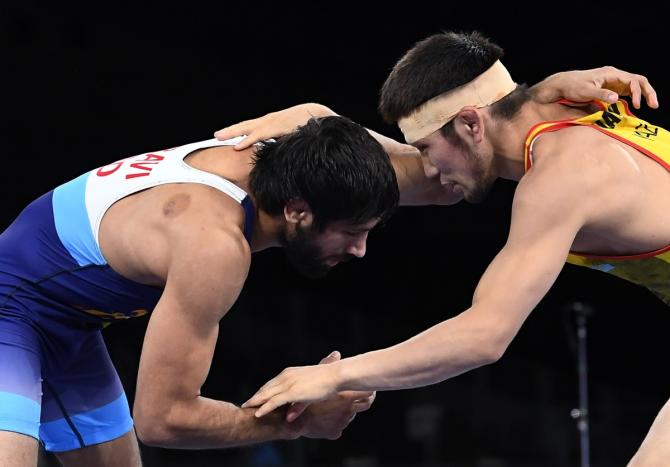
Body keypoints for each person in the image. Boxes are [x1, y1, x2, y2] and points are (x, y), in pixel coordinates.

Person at [217, 35, 667, 466]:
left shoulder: (561, 180)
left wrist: (331, 375)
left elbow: (483, 336)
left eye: (428, 148)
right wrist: (321, 118)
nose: (428, 168)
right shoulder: (560, 104)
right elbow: (501, 112)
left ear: (472, 123)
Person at [0, 115, 398, 467]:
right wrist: (296, 421)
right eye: (352, 231)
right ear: (297, 211)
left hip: (69, 324)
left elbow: (430, 177)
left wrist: (316, 112)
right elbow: (162, 419)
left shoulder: (283, 156)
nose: (359, 250)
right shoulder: (214, 245)